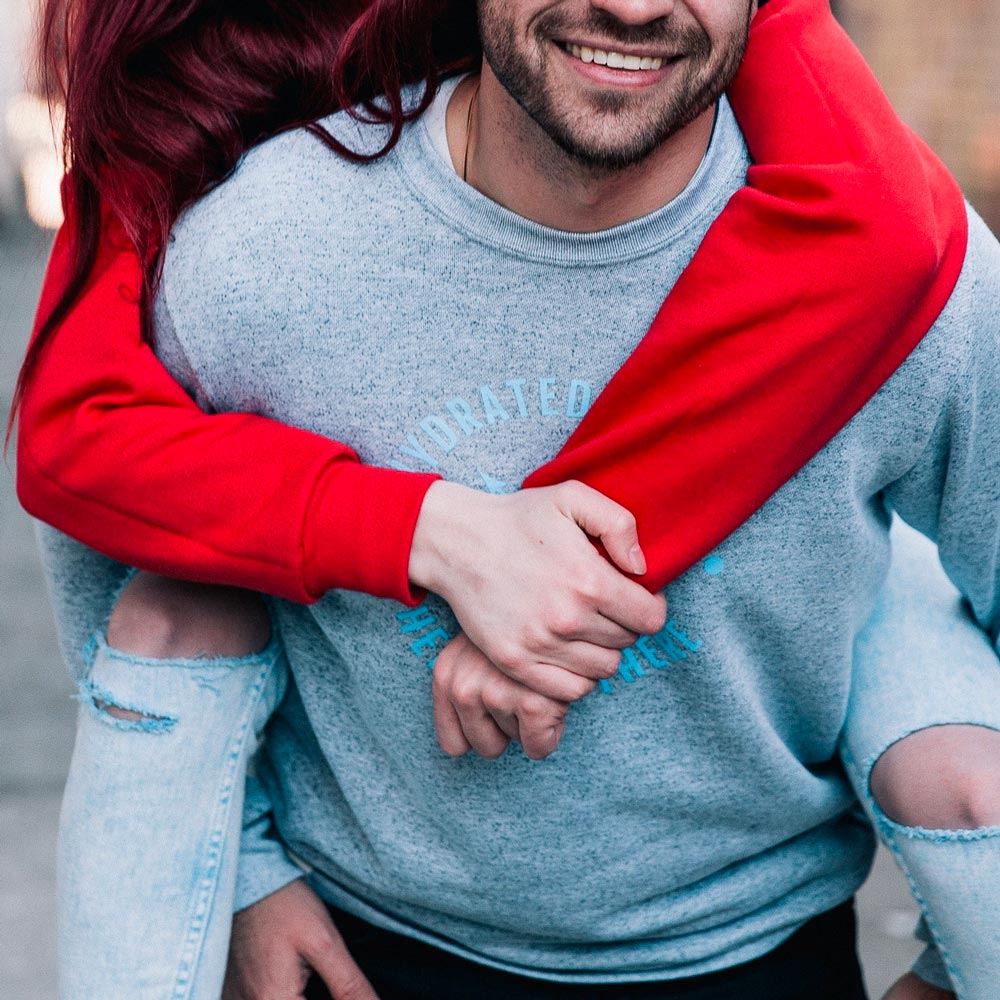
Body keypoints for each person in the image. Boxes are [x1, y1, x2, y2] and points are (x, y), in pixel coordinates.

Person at [13, 0, 1000, 997]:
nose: (634, 5)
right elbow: (109, 524)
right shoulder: (256, 244)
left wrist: (954, 960)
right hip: (361, 936)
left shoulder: (918, 271)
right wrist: (243, 874)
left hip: (756, 944)